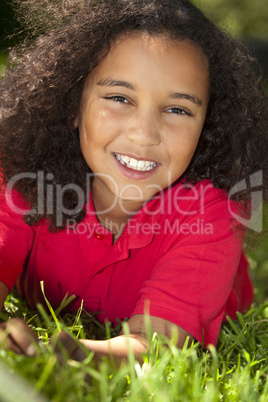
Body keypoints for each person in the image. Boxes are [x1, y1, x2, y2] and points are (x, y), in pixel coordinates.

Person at [0, 0, 267, 362]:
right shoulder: (24, 171)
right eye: (120, 97)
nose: (144, 135)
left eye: (177, 109)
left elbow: (155, 343)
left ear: (207, 124)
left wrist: (77, 356)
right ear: (71, 106)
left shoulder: (217, 208)